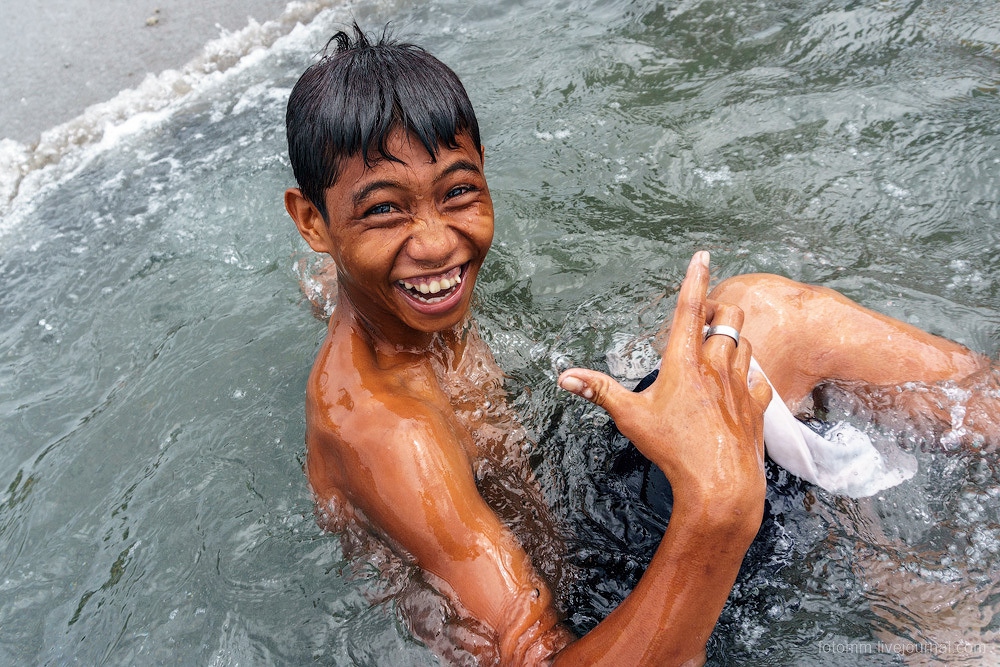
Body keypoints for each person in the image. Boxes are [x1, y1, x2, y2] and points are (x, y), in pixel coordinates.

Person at [283, 25, 997, 665]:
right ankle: (907, 578)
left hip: (574, 530)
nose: (438, 241)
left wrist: (356, 250)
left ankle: (865, 531)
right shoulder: (391, 435)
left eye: (459, 192)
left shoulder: (380, 299)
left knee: (735, 332)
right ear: (311, 219)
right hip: (609, 623)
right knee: (777, 321)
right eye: (385, 209)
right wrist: (714, 510)